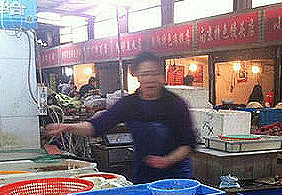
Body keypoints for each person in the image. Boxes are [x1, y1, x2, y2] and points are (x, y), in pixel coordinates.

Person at [46, 52, 197, 183]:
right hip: (144, 176)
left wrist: (167, 160)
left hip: (178, 177)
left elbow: (188, 144)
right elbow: (97, 126)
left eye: (154, 73)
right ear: (137, 76)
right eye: (145, 74)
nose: (150, 78)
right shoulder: (129, 104)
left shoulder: (175, 104)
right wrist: (67, 127)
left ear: (162, 76)